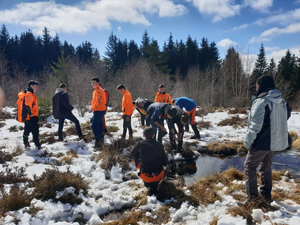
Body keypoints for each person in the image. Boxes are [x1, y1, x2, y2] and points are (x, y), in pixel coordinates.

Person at [243, 75, 291, 204]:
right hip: (273, 142)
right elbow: (285, 117)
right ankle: (266, 194)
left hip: (261, 142)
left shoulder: (262, 101)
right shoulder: (281, 101)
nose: (256, 88)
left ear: (262, 86)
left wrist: (247, 142)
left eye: (257, 85)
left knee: (249, 166)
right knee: (266, 166)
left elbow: (255, 126)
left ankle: (252, 198)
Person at [131, 127, 167, 195]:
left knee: (134, 156)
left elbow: (132, 154)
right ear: (154, 135)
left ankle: (146, 181)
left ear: (144, 135)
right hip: (159, 175)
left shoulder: (140, 144)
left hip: (145, 176)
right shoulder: (159, 144)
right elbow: (164, 162)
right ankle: (155, 183)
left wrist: (140, 156)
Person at [19, 80, 41, 149]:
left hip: (27, 116)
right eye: (35, 86)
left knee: (27, 130)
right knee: (35, 131)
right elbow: (27, 105)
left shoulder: (28, 93)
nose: (37, 88)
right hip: (32, 116)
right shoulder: (29, 94)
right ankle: (37, 145)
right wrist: (31, 113)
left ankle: (26, 143)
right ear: (31, 86)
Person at [88, 78, 106, 148]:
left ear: (98, 83)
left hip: (99, 110)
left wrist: (92, 108)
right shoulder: (96, 90)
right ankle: (100, 141)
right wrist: (92, 104)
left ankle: (99, 141)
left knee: (94, 125)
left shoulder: (99, 90)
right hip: (99, 110)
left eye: (94, 82)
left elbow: (98, 101)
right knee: (99, 126)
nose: (92, 84)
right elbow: (96, 101)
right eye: (91, 83)